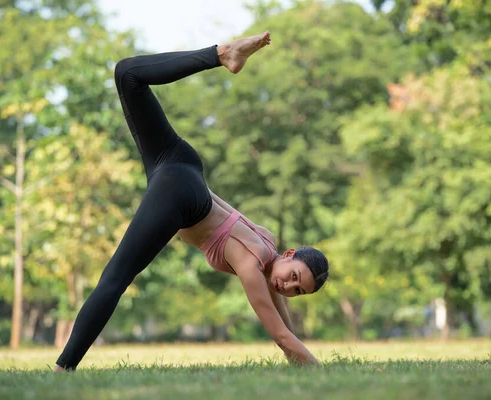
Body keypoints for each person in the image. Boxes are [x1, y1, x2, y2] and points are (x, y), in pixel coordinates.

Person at [54, 31, 329, 371]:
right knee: (116, 276)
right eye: (294, 275)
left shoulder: (267, 241)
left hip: (183, 166)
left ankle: (221, 54)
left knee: (128, 75)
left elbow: (284, 321)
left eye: (296, 290)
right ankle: (62, 370)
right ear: (289, 255)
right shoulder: (251, 265)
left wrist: (297, 349)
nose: (287, 285)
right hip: (181, 191)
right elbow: (281, 335)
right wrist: (316, 368)